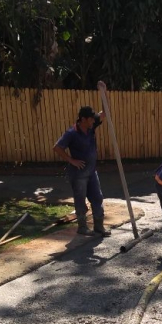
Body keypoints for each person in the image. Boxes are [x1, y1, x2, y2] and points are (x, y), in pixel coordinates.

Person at [54, 100, 111, 237]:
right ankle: (82, 227)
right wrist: (71, 160)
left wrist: (104, 92)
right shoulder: (71, 132)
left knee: (97, 198)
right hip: (78, 174)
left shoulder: (91, 125)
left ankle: (99, 227)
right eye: (91, 119)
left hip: (92, 171)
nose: (93, 121)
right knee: (80, 200)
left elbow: (105, 113)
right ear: (83, 119)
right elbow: (57, 147)